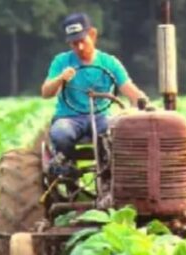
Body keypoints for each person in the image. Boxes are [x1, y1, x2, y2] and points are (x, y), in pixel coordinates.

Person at [41, 12, 149, 163]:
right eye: (74, 43)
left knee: (118, 131)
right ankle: (66, 168)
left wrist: (145, 104)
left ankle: (110, 167)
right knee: (60, 133)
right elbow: (46, 92)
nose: (79, 47)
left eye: (82, 41)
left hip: (101, 117)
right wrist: (60, 79)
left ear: (92, 35)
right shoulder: (61, 61)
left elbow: (129, 89)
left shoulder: (109, 62)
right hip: (69, 118)